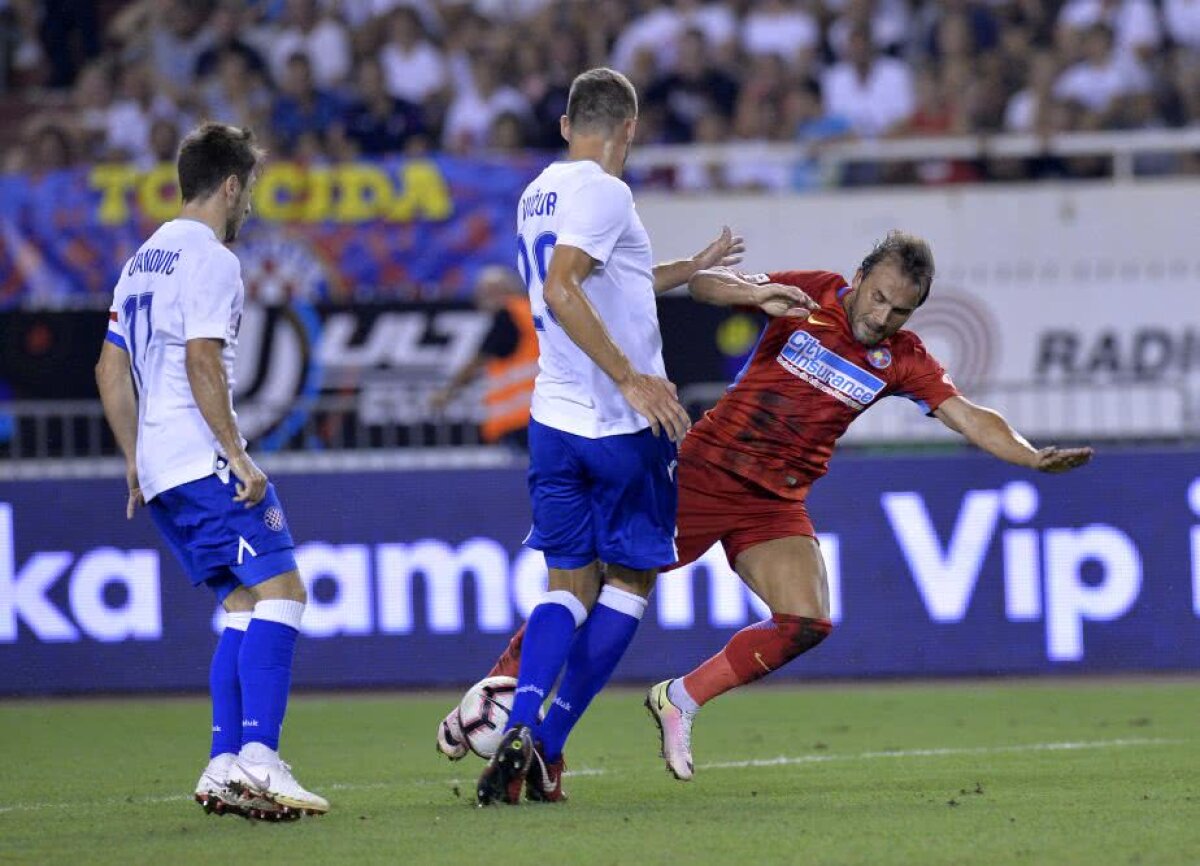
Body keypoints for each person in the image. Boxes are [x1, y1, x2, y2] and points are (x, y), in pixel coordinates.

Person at [442, 230, 1093, 784]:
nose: (882, 317)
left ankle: (681, 698)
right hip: (704, 473)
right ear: (861, 277)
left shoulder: (902, 360)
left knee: (807, 621)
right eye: (878, 298)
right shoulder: (809, 293)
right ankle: (495, 696)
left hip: (774, 501)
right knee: (596, 593)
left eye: (900, 311)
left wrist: (1031, 456)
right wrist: (754, 292)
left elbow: (969, 416)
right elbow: (705, 289)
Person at [470, 67, 744, 806]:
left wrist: (690, 268)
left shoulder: (539, 193)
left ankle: (520, 725)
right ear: (629, 130)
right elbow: (563, 288)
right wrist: (630, 377)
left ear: (564, 125)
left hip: (553, 423)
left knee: (565, 586)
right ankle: (549, 747)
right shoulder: (607, 189)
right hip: (622, 427)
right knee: (628, 582)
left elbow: (606, 281)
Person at [94, 123, 328, 821]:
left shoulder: (141, 260)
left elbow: (109, 369)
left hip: (163, 469)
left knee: (241, 608)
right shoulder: (212, 258)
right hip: (203, 459)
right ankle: (261, 758)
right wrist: (237, 453)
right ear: (230, 185)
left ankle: (224, 763)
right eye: (249, 187)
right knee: (285, 590)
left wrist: (135, 460)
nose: (250, 202)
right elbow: (202, 362)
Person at [429, 266, 538, 450]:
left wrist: (447, 392)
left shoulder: (509, 314)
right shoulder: (531, 312)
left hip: (520, 416)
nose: (485, 297)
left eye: (491, 291)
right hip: (539, 411)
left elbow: (479, 360)